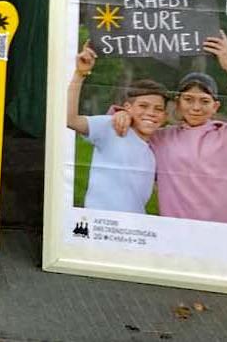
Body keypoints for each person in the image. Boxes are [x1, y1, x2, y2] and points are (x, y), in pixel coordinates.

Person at [113, 33, 227, 225]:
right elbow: (118, 132)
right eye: (188, 100)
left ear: (215, 107)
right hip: (180, 235)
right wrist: (121, 115)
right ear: (178, 104)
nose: (196, 108)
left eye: (204, 101)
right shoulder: (161, 138)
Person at [67, 42, 166, 215]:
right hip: (98, 224)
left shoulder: (155, 149)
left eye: (158, 109)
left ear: (164, 116)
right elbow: (70, 119)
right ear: (128, 107)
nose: (151, 113)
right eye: (143, 106)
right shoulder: (111, 127)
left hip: (135, 228)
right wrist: (80, 74)